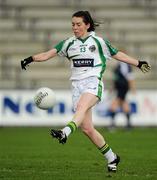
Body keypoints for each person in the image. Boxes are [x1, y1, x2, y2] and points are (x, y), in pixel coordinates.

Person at [21, 11, 151, 173]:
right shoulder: (68, 43)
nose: (75, 28)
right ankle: (112, 158)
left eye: (78, 24)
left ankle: (65, 132)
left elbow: (118, 54)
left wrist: (138, 63)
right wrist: (29, 59)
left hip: (93, 83)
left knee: (82, 107)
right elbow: (47, 54)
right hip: (76, 87)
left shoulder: (98, 42)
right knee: (87, 129)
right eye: (73, 24)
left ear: (87, 25)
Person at [109, 61, 136, 130]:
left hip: (123, 88)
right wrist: (112, 88)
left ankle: (113, 125)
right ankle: (128, 125)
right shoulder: (117, 67)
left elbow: (130, 78)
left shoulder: (127, 67)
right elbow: (115, 79)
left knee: (115, 104)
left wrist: (132, 87)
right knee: (123, 104)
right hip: (119, 88)